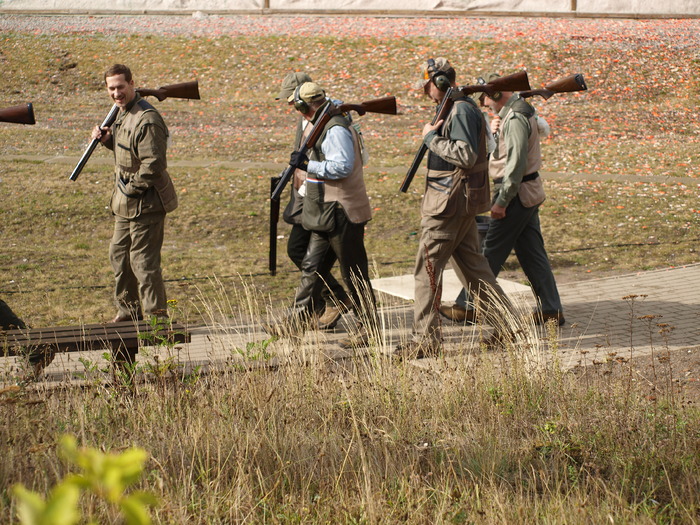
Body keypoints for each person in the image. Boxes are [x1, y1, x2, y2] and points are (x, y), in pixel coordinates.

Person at [394, 58, 514, 360]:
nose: (427, 92)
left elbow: (465, 154)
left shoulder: (459, 109)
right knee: (474, 269)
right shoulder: (463, 107)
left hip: (447, 204)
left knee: (427, 272)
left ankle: (425, 340)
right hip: (458, 201)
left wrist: (430, 138)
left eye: (428, 86)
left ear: (441, 83)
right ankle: (506, 325)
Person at [440, 73, 564, 326]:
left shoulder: (516, 116)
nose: (484, 103)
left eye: (485, 96)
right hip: (524, 192)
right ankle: (551, 309)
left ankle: (468, 305)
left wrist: (502, 200)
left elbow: (515, 164)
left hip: (515, 193)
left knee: (488, 254)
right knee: (533, 255)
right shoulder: (513, 113)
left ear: (496, 93)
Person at [264, 81, 377, 347]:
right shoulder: (324, 123)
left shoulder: (335, 128)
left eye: (299, 107)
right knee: (310, 266)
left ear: (306, 105)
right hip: (325, 209)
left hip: (342, 210)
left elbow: (342, 167)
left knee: (354, 273)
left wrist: (307, 165)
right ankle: (297, 320)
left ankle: (369, 329)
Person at [92, 64, 178, 323]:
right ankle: (128, 314)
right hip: (125, 203)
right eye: (111, 88)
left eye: (120, 87)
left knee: (143, 263)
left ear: (132, 84)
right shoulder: (122, 112)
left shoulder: (147, 118)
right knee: (119, 257)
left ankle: (157, 321)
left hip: (146, 202)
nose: (116, 93)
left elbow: (153, 165)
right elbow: (128, 153)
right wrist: (107, 141)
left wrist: (130, 190)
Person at [275, 72, 351, 330]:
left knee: (310, 259)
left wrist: (309, 170)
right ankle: (325, 305)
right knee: (307, 259)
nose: (291, 108)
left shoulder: (333, 119)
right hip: (309, 197)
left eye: (293, 102)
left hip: (325, 200)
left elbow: (344, 163)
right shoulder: (312, 118)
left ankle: (333, 302)